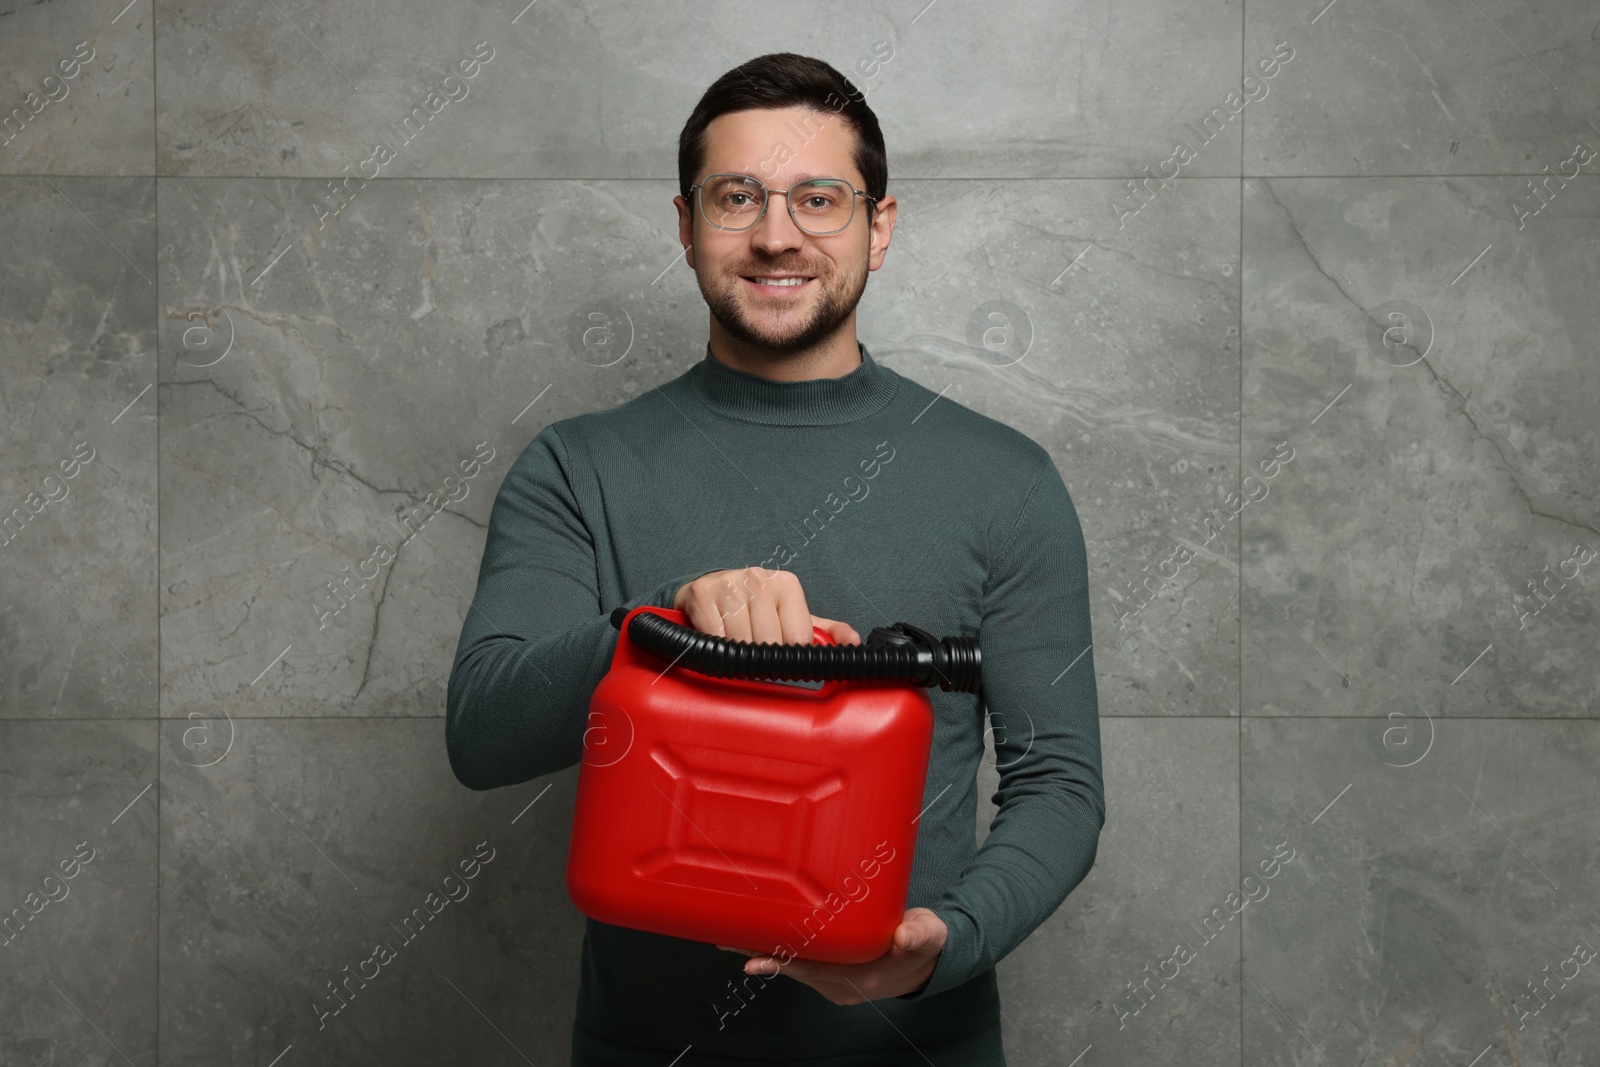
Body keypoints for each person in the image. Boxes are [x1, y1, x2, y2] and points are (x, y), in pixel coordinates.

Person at [446, 51, 1104, 1066]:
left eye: (819, 198)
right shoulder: (577, 467)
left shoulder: (1004, 481)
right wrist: (659, 623)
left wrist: (943, 943)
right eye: (736, 196)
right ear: (685, 224)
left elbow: (1058, 783)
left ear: (877, 227)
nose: (775, 234)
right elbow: (483, 734)